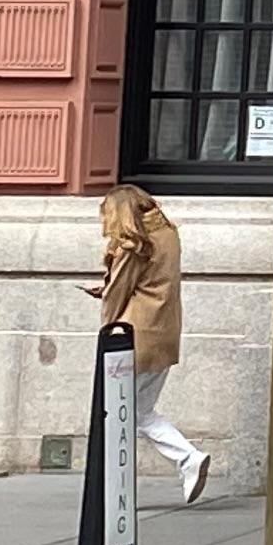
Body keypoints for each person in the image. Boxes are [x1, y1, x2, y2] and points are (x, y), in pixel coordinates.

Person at [98, 184, 207, 506]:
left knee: (118, 412)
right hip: (163, 331)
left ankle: (116, 486)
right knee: (139, 411)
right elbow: (151, 283)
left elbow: (118, 292)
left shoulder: (134, 244)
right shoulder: (168, 234)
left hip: (134, 334)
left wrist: (106, 328)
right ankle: (188, 458)